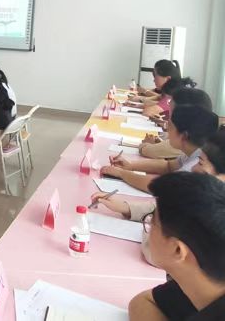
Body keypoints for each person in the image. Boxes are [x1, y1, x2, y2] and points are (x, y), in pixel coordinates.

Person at [91, 129, 225, 266]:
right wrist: (127, 208)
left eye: (200, 163)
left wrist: (151, 230)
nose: (193, 168)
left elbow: (156, 254)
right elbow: (174, 208)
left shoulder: (213, 216)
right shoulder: (206, 198)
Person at [127, 172, 225, 320]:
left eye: (152, 222)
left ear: (178, 250)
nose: (148, 229)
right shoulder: (201, 281)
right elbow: (143, 301)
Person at [101, 105, 219, 193]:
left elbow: (158, 186)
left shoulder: (196, 166)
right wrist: (130, 166)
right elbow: (168, 166)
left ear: (184, 136)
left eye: (170, 126)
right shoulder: (194, 151)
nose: (167, 131)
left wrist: (122, 174)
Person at [140, 88, 213, 160]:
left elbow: (148, 151)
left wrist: (146, 143)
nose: (169, 116)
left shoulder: (187, 140)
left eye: (171, 111)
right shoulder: (203, 134)